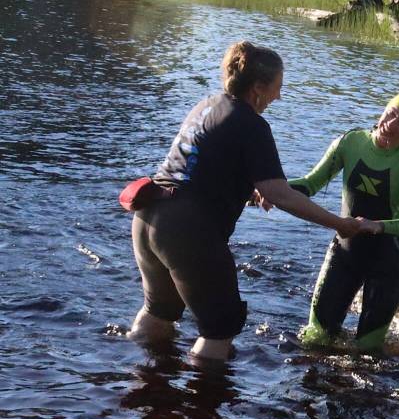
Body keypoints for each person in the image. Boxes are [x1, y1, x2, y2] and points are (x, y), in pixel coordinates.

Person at [129, 41, 370, 361]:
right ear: (257, 88)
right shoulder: (251, 124)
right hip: (186, 231)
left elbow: (200, 167)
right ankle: (203, 405)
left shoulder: (206, 105)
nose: (278, 96)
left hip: (149, 216)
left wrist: (249, 190)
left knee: (158, 312)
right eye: (277, 88)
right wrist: (341, 224)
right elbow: (280, 194)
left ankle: (134, 383)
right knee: (220, 329)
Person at [289, 88, 399, 352]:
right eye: (391, 113)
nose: (390, 124)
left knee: (366, 352)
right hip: (346, 252)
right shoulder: (350, 143)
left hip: (388, 262)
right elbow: (310, 184)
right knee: (315, 338)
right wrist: (269, 188)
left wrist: (376, 226)